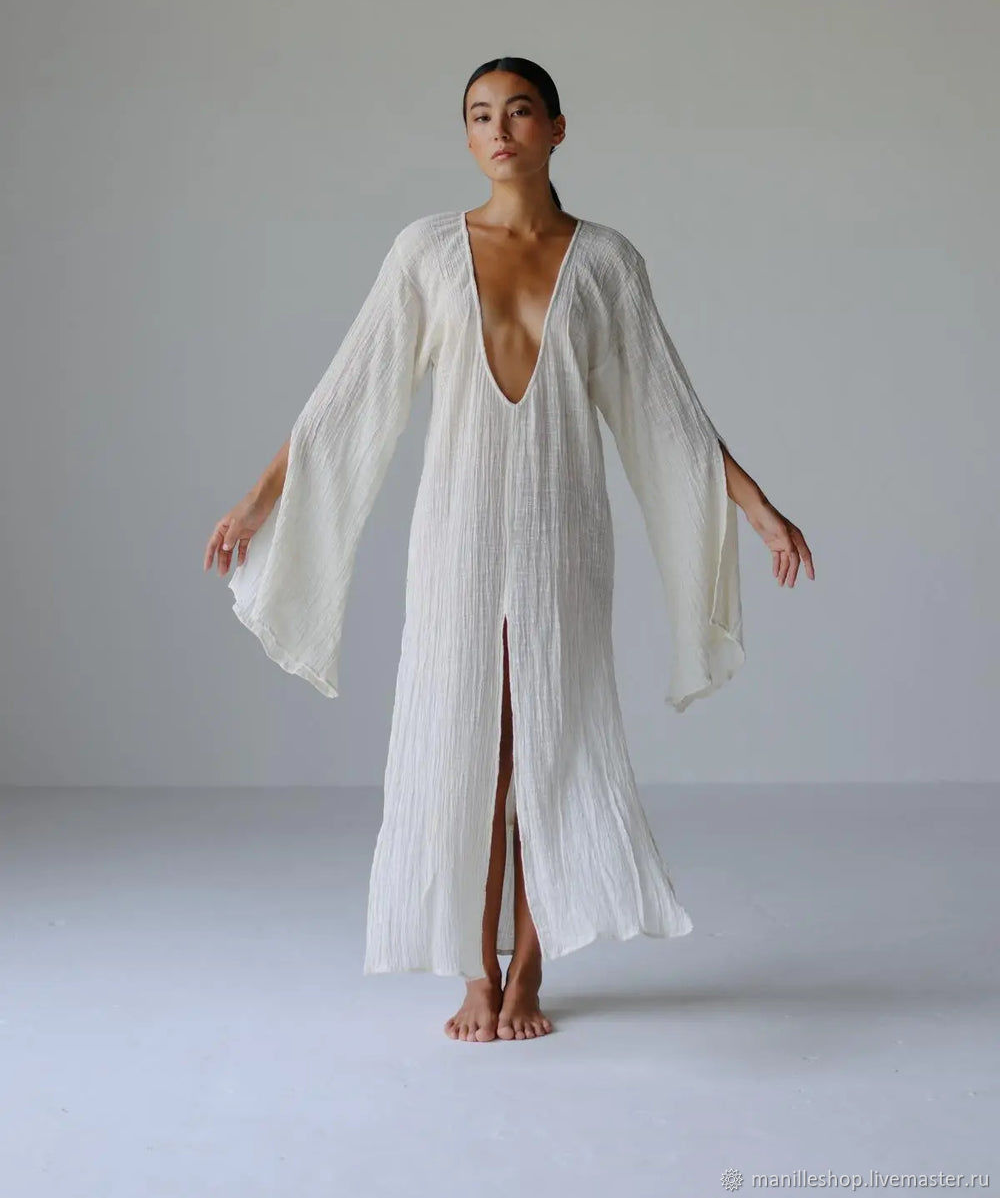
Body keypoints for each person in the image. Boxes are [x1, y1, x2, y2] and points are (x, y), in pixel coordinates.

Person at [204, 56, 814, 1043]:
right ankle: (473, 972)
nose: (499, 131)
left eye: (520, 112)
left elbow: (667, 412)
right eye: (481, 115)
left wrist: (758, 509)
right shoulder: (424, 251)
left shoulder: (607, 262)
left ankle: (528, 971)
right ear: (467, 135)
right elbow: (349, 394)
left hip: (563, 536)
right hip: (455, 535)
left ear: (557, 129)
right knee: (468, 751)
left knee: (548, 746)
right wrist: (256, 502)